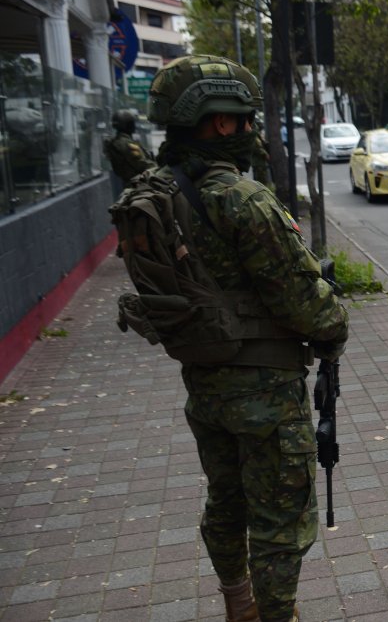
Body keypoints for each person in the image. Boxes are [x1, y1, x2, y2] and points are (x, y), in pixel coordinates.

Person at [143, 55, 349, 622]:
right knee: (280, 521)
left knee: (226, 502)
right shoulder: (241, 198)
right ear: (219, 122)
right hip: (265, 390)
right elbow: (304, 304)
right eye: (245, 118)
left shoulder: (157, 191)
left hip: (203, 382)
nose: (252, 130)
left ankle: (240, 605)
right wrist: (336, 325)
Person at [103, 108, 154, 185]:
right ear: (127, 125)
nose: (134, 126)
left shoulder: (117, 142)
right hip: (139, 184)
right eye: (132, 123)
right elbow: (142, 164)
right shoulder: (126, 144)